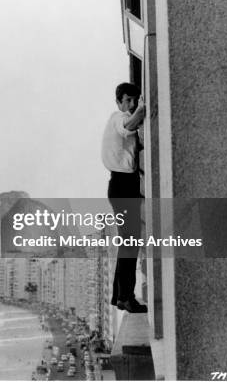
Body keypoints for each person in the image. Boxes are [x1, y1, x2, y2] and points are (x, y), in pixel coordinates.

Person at [101, 82, 147, 313]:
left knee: (128, 244)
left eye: (134, 99)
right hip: (122, 186)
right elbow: (126, 125)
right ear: (119, 102)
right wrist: (142, 109)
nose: (130, 104)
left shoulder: (124, 121)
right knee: (130, 243)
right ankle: (126, 297)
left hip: (124, 186)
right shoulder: (118, 117)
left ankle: (119, 296)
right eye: (127, 100)